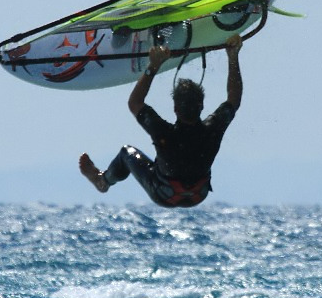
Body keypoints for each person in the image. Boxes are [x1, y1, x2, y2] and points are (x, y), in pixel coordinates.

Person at [79, 34, 243, 207]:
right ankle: (102, 180)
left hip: (162, 194)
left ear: (175, 109)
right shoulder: (213, 129)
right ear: (201, 106)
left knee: (126, 153)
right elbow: (234, 99)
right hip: (197, 195)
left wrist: (153, 65)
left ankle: (102, 181)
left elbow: (135, 102)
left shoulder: (163, 131)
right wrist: (233, 56)